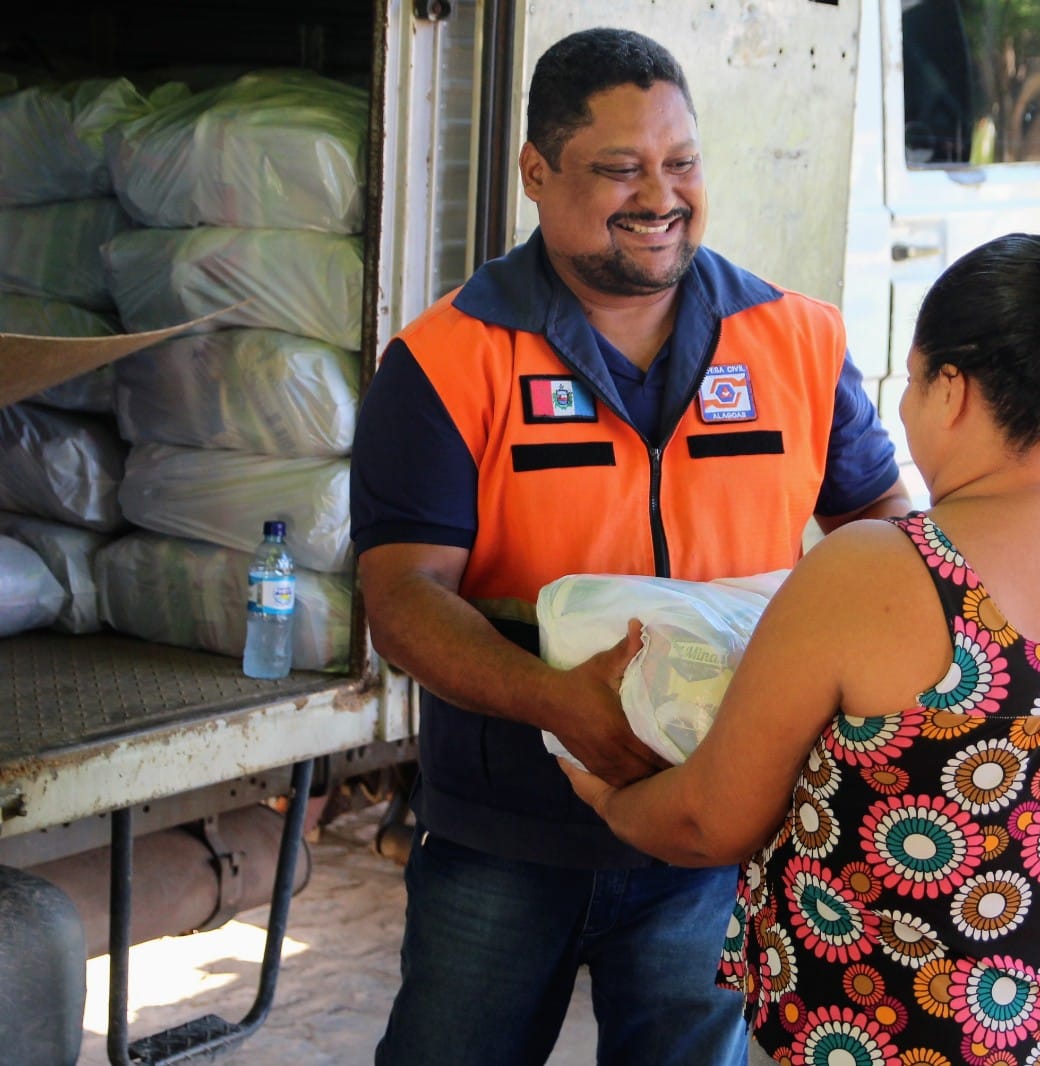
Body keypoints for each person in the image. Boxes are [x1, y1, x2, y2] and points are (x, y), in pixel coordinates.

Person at [350, 26, 911, 1066]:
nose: (661, 195)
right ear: (535, 172)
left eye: (681, 162)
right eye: (620, 168)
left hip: (718, 833)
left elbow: (884, 539)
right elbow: (402, 596)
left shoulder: (795, 338)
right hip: (506, 832)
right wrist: (553, 699)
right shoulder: (444, 360)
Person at [563, 227, 1040, 1065]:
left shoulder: (883, 568)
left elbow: (708, 819)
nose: (905, 407)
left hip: (887, 1040)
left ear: (952, 388)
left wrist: (606, 797)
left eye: (909, 379)